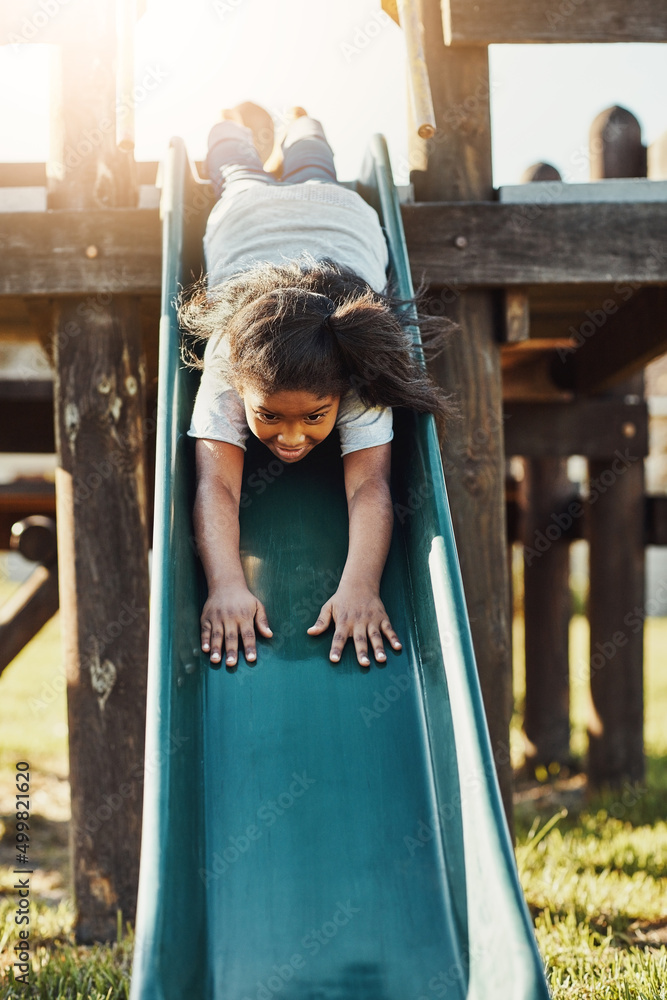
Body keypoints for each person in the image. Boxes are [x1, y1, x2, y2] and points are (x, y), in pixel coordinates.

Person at [179, 102, 453, 671]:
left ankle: (265, 127)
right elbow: (217, 487)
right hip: (280, 220)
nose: (293, 439)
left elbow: (369, 488)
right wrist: (225, 585)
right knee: (272, 173)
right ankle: (273, 126)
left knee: (268, 175)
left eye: (313, 417)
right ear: (244, 392)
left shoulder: (357, 368)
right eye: (270, 417)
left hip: (304, 219)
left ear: (341, 395)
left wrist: (362, 587)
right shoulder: (231, 359)